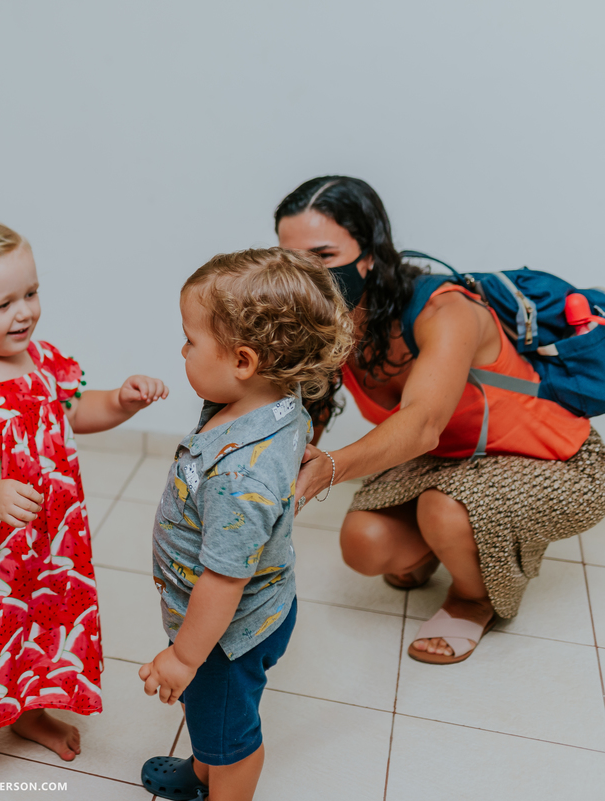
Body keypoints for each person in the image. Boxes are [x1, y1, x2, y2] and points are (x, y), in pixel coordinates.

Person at [278, 175, 605, 664]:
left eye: (322, 256)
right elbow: (313, 409)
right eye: (290, 260)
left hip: (553, 457)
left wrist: (329, 465)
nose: (305, 274)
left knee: (441, 508)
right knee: (364, 545)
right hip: (450, 459)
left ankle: (474, 600)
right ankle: (446, 545)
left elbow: (423, 422)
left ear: (368, 253)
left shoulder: (445, 309)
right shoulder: (336, 317)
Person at [0, 215, 168, 763]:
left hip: (42, 535)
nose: (25, 312)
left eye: (32, 293)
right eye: (3, 304)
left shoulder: (41, 362)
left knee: (41, 620)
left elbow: (75, 411)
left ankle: (30, 709)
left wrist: (120, 401)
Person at [139, 248, 353, 801]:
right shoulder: (275, 400)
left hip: (223, 636)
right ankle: (201, 769)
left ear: (243, 361)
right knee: (211, 721)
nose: (181, 349)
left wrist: (184, 657)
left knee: (232, 736)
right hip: (250, 610)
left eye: (190, 339)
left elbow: (224, 579)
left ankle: (222, 780)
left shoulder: (241, 478)